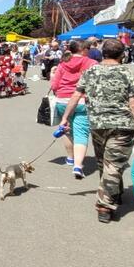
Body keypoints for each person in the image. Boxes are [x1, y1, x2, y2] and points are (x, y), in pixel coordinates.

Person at [59, 39, 134, 223]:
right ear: (122, 54)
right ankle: (104, 205)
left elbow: (76, 95)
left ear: (103, 53)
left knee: (107, 163)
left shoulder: (90, 71)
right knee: (112, 164)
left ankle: (115, 193)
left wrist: (65, 118)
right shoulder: (127, 72)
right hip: (122, 126)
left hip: (97, 124)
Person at [51, 40, 97, 179]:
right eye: (87, 48)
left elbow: (54, 85)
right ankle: (78, 165)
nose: (89, 50)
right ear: (83, 50)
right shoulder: (91, 63)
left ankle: (70, 158)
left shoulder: (63, 63)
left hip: (62, 99)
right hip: (82, 100)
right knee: (81, 133)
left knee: (67, 130)